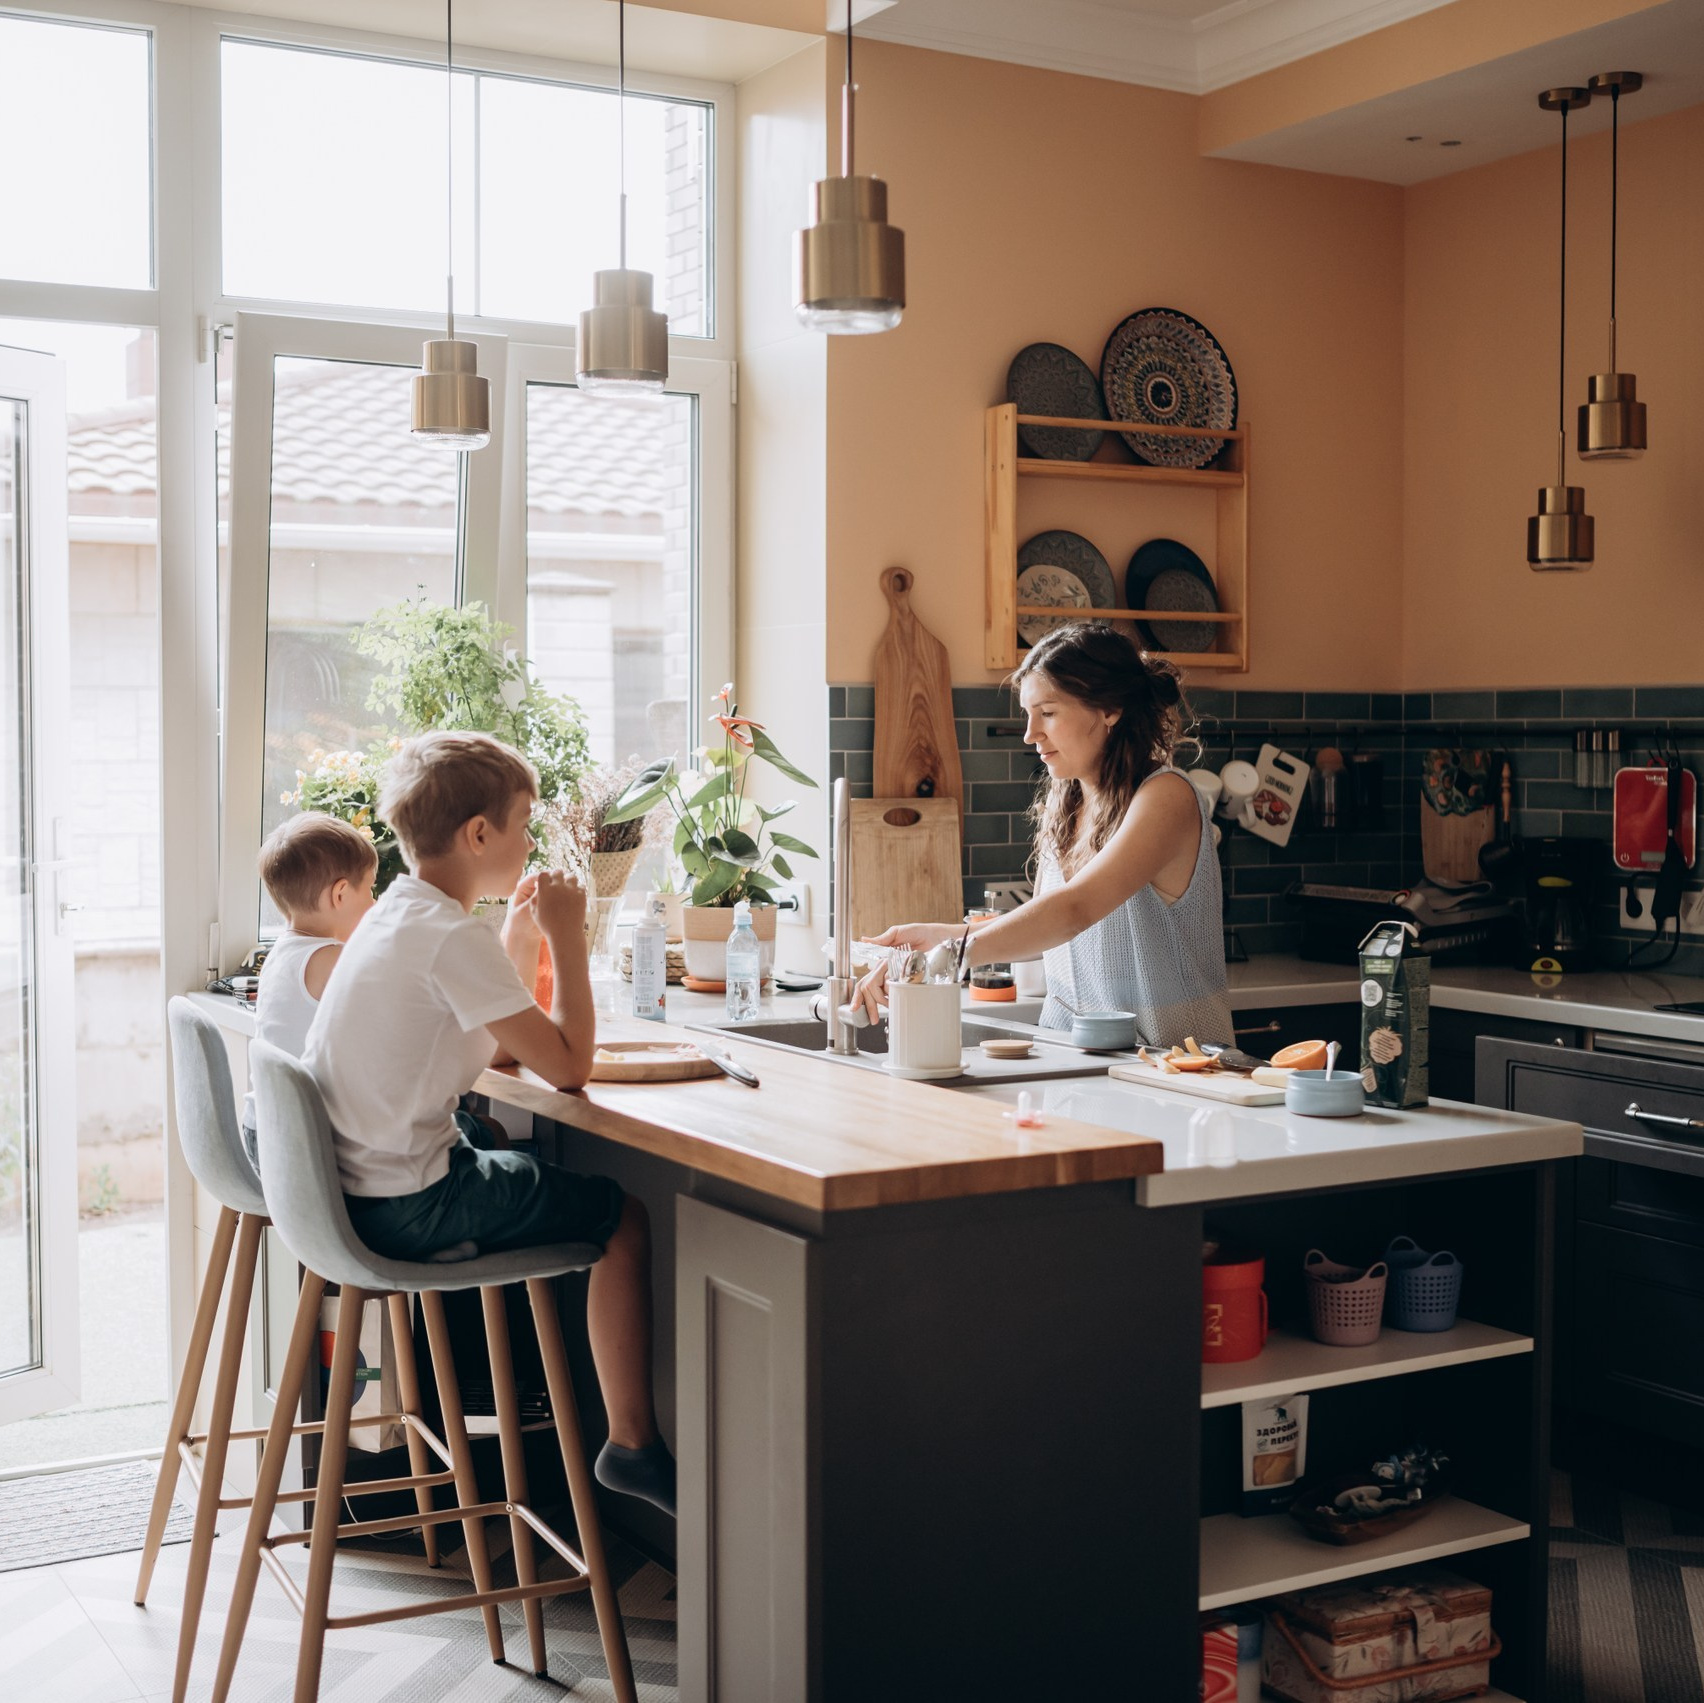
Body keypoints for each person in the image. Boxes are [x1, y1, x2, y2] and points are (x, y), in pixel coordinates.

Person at [303, 730, 675, 1515]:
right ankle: (632, 1445)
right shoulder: (447, 935)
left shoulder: (400, 914)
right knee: (625, 1218)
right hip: (409, 1205)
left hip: (354, 1196)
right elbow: (568, 1066)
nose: (533, 840)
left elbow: (497, 1051)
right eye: (525, 823)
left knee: (493, 1139)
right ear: (480, 834)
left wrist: (524, 935)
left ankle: (625, 1444)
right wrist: (570, 939)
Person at [856, 621, 1233, 1050]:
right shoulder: (1066, 800)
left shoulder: (1166, 796)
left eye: (1048, 713)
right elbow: (1046, 925)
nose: (1030, 734)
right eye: (1028, 714)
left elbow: (1074, 910)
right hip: (1079, 1061)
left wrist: (953, 951)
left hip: (1177, 1069)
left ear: (1110, 708)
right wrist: (937, 935)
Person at [240, 813, 378, 1162]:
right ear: (341, 894)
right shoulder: (333, 959)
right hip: (303, 1151)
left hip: (263, 1133)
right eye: (371, 888)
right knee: (472, 1129)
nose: (375, 903)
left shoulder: (279, 954)